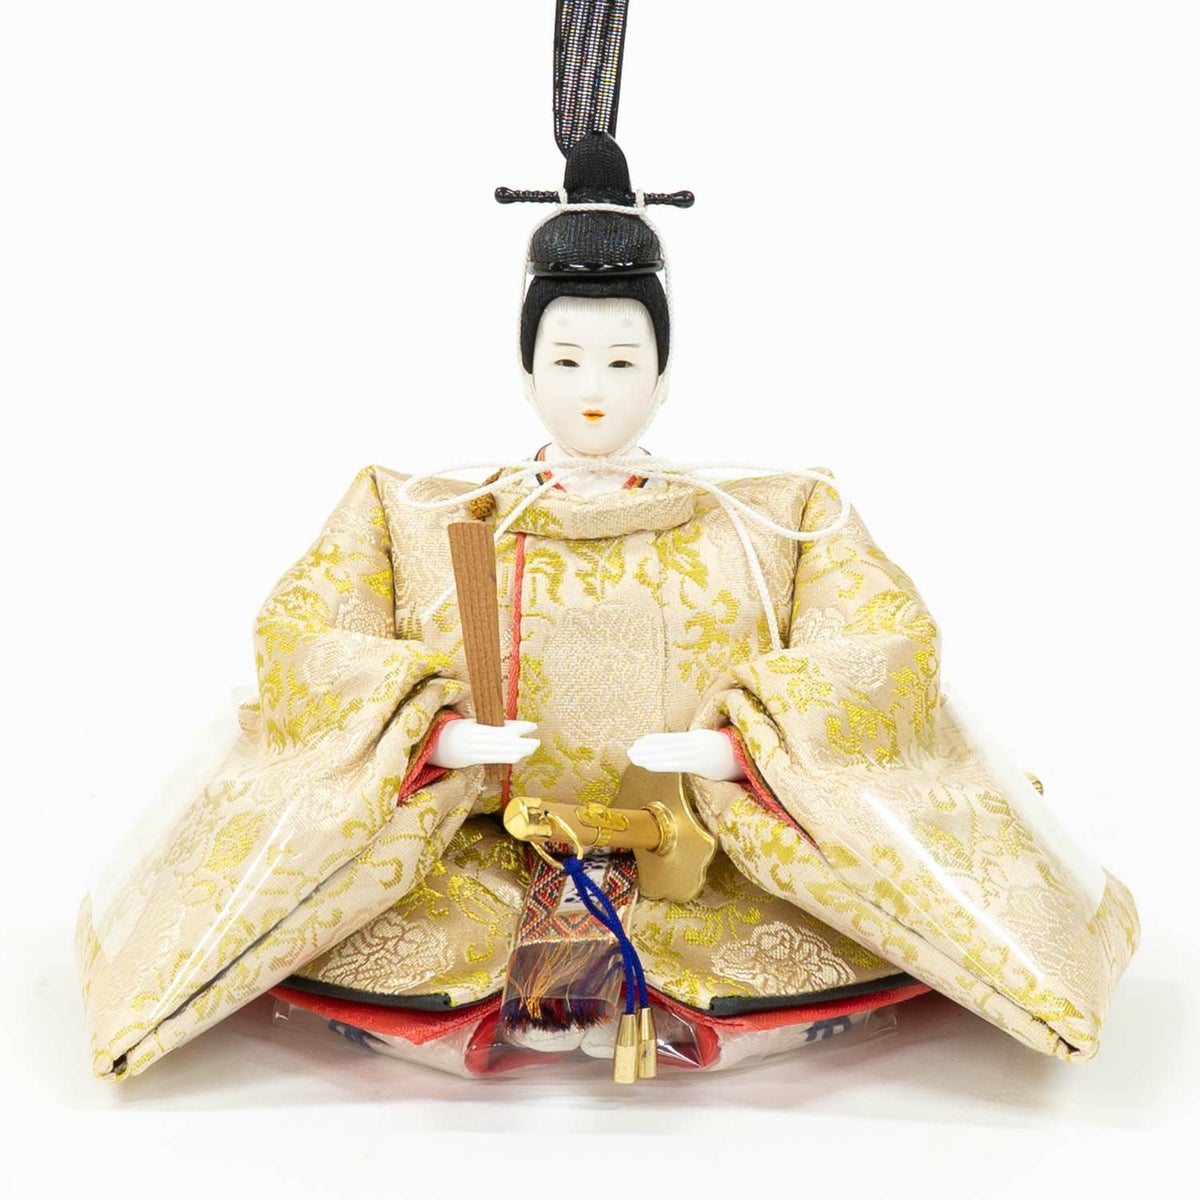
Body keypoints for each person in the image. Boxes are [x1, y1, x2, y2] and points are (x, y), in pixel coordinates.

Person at [75, 133, 1137, 1083]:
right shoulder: (415, 514)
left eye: (625, 359)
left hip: (705, 862)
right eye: (567, 358)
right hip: (474, 849)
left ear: (664, 376)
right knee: (384, 940)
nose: (595, 387)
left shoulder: (776, 521)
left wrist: (746, 746)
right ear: (524, 370)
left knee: (810, 937)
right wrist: (431, 732)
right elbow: (305, 639)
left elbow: (884, 646)